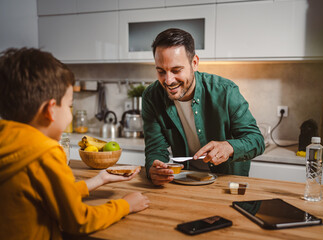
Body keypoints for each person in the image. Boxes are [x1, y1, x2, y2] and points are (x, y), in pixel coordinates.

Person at [0, 48, 150, 239]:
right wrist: (125, 205)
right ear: (50, 110)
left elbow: (47, 193)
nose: (71, 112)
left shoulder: (8, 142)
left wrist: (98, 180)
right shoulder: (46, 153)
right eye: (70, 105)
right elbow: (78, 220)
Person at [142, 28, 265, 186]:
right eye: (161, 71)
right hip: (183, 182)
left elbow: (256, 140)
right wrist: (154, 169)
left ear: (194, 63)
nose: (168, 80)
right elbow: (155, 149)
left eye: (176, 70)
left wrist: (229, 147)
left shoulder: (226, 91)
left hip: (227, 185)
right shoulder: (152, 97)